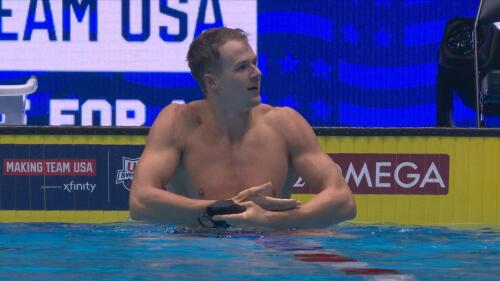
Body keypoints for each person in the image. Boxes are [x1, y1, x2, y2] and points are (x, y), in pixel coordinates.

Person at [129, 27, 356, 230]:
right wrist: (227, 208)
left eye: (254, 63)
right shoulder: (179, 122)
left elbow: (343, 201)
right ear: (212, 82)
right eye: (241, 67)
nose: (256, 73)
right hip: (200, 260)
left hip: (269, 259)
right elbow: (140, 202)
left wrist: (272, 220)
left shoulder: (285, 123)